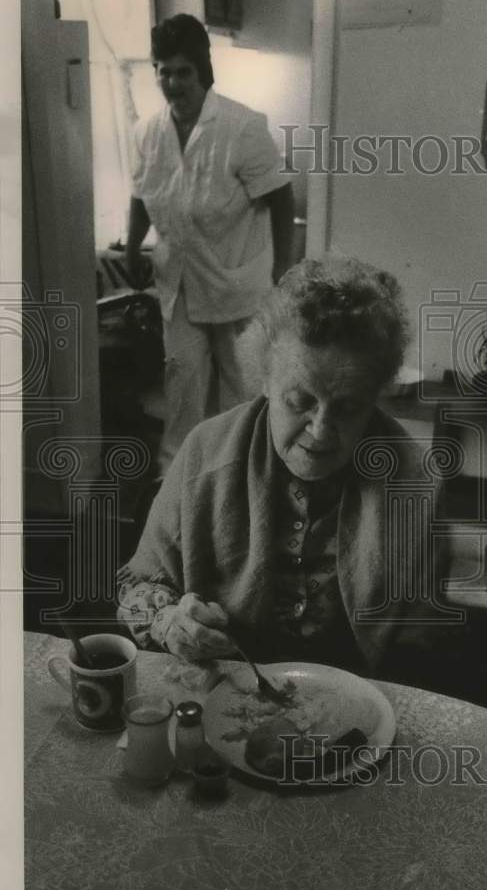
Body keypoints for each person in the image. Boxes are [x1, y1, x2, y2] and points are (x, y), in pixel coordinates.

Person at [117, 256, 466, 688]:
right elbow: (137, 589)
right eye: (300, 401)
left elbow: (423, 640)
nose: (320, 432)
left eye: (348, 408)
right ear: (263, 378)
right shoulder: (204, 454)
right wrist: (170, 621)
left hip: (357, 694)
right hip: (225, 685)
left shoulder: (414, 484)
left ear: (376, 396)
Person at [126, 13, 295, 472]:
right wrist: (132, 245)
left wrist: (285, 271)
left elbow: (281, 200)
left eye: (183, 71)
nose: (174, 82)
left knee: (243, 391)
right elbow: (142, 194)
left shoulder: (241, 127)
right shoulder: (147, 132)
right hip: (179, 286)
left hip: (237, 284)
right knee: (181, 390)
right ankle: (175, 488)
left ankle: (247, 481)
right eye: (164, 70)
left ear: (202, 71)